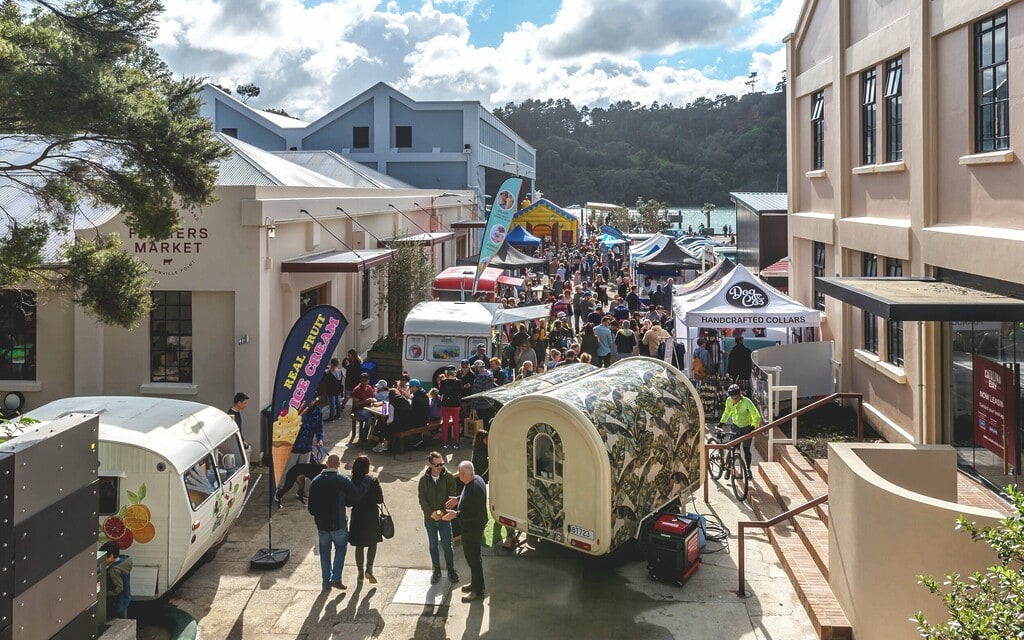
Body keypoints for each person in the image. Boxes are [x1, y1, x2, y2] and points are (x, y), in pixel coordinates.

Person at [308, 454, 370, 590]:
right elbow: (356, 494)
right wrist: (367, 480)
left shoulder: (316, 481)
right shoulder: (342, 480)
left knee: (324, 552)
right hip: (338, 523)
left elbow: (311, 508)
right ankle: (336, 578)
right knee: (340, 549)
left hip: (322, 525)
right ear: (339, 465)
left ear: (326, 463)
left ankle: (325, 582)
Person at [443, 461, 488, 602]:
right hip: (475, 527)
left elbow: (472, 514)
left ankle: (477, 591)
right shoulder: (477, 479)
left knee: (473, 559)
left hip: (472, 529)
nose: (458, 474)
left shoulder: (473, 488)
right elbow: (467, 499)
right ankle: (476, 583)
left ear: (463, 474)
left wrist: (455, 514)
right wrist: (458, 500)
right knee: (475, 558)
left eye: (459, 472)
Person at [418, 451, 460, 585]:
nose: (440, 467)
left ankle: (451, 570)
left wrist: (442, 512)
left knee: (448, 546)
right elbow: (422, 498)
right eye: (437, 465)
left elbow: (452, 497)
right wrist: (429, 512)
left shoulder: (448, 478)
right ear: (430, 465)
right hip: (429, 520)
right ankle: (436, 570)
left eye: (441, 464)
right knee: (433, 545)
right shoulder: (424, 480)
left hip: (444, 519)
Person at [276, 398, 324, 504]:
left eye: (313, 400)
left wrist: (320, 439)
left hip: (307, 447)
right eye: (309, 400)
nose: (311, 402)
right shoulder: (297, 410)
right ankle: (280, 491)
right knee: (288, 471)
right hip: (292, 448)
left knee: (304, 473)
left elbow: (319, 427)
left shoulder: (318, 411)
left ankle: (300, 491)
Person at [346, 454, 383, 584]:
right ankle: (369, 569)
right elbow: (380, 499)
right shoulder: (372, 480)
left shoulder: (351, 481)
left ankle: (360, 571)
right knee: (372, 544)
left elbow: (348, 502)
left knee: (359, 546)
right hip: (371, 516)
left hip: (357, 516)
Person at [719, 384, 762, 475]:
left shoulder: (747, 402)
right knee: (731, 448)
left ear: (740, 394)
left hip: (747, 427)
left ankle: (748, 469)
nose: (734, 399)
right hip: (736, 427)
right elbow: (727, 412)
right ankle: (728, 468)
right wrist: (721, 423)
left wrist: (752, 427)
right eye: (732, 397)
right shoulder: (729, 401)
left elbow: (756, 416)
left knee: (746, 449)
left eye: (736, 397)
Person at [100, 541, 132, 618]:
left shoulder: (114, 570)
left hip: (117, 603)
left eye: (103, 558)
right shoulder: (123, 561)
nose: (102, 561)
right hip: (125, 598)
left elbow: (118, 588)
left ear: (111, 556)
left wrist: (104, 594)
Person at [439, 366, 462, 449]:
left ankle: (445, 442)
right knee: (456, 424)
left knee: (445, 423)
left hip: (445, 404)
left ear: (446, 373)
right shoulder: (458, 382)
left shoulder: (443, 382)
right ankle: (456, 442)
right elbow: (460, 393)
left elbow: (440, 392)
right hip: (456, 404)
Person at [350, 372, 376, 444]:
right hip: (358, 411)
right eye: (362, 380)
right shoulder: (357, 390)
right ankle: (364, 437)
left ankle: (374, 437)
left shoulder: (370, 388)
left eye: (366, 380)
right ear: (360, 381)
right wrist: (365, 401)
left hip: (368, 408)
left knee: (378, 417)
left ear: (368, 381)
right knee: (369, 418)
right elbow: (355, 405)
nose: (364, 382)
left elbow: (372, 398)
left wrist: (373, 401)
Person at [226, 392, 252, 461]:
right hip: (235, 441)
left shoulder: (237, 412)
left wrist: (243, 440)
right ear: (239, 402)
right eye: (244, 403)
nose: (245, 405)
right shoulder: (231, 415)